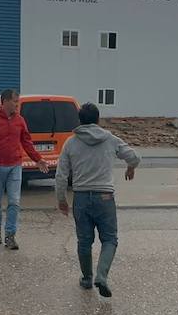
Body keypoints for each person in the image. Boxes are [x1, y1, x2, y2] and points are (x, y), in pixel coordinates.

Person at [55, 102, 140, 297]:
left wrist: (61, 200)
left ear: (80, 120)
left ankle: (86, 279)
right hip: (105, 197)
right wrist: (130, 167)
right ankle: (101, 275)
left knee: (84, 241)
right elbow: (134, 157)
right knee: (109, 239)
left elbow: (61, 175)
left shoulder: (71, 142)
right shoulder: (110, 139)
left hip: (81, 198)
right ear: (98, 120)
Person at [0, 88, 49, 250]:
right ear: (5, 101)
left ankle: (10, 235)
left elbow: (27, 142)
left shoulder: (20, 120)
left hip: (15, 166)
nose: (17, 105)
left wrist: (38, 160)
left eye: (18, 102)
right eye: (15, 101)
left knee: (14, 201)